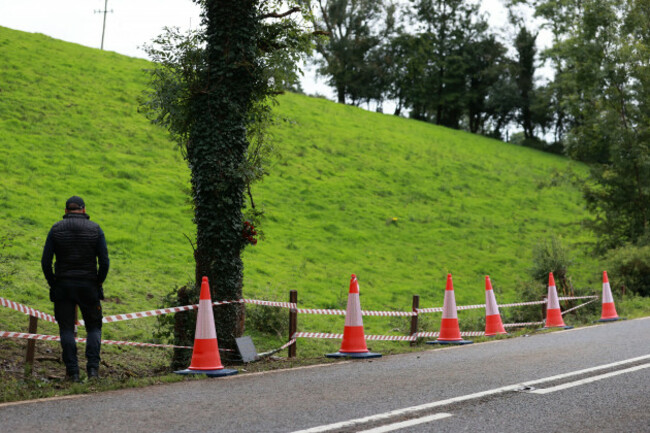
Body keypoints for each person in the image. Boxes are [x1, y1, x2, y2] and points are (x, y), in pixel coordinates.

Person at [41, 196, 109, 382]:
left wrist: (53, 282)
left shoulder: (56, 229)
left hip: (63, 285)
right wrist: (98, 282)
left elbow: (46, 262)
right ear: (84, 210)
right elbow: (104, 262)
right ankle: (93, 370)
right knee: (94, 327)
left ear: (65, 211)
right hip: (88, 285)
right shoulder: (95, 229)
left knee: (66, 329)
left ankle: (73, 372)